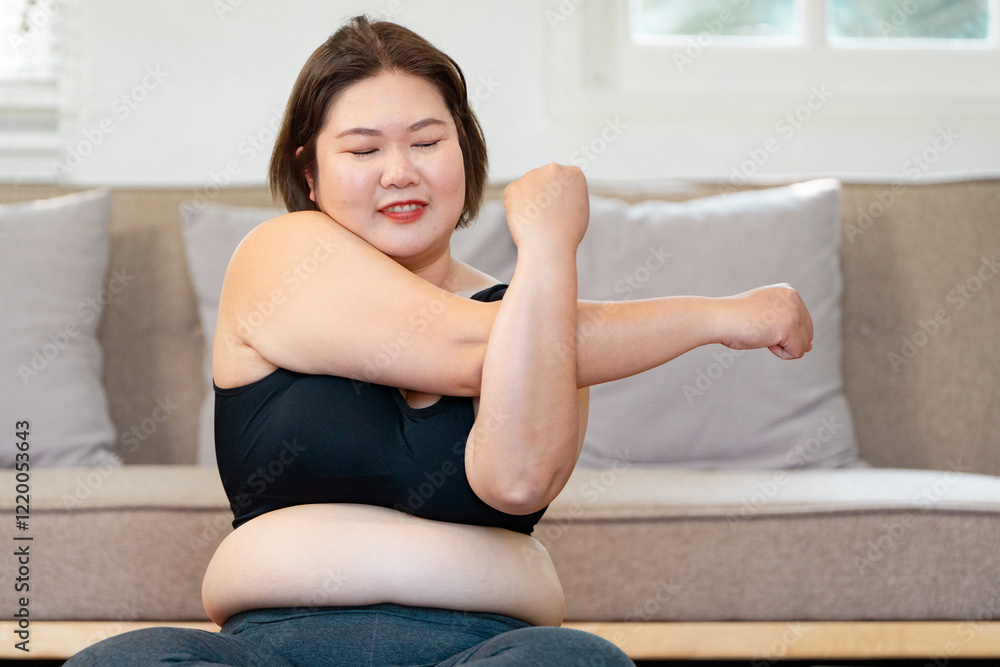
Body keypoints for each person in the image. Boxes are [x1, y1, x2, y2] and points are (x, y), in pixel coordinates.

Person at [65, 15, 812, 667]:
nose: (401, 173)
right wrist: (719, 316)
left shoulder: (536, 314)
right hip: (269, 649)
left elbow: (517, 481)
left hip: (482, 650)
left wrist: (548, 248)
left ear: (465, 152)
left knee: (579, 661)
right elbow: (464, 349)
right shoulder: (279, 257)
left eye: (427, 141)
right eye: (363, 151)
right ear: (310, 174)